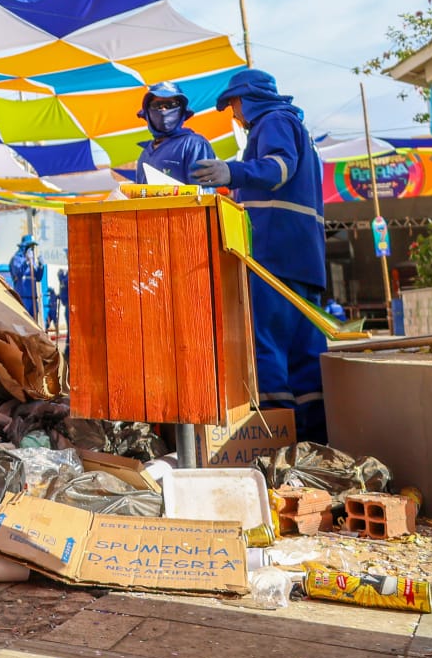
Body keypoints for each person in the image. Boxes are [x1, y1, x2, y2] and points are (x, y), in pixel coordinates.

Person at [192, 68, 328, 443]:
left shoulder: (272, 122)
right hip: (303, 259)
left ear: (247, 99)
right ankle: (315, 440)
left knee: (266, 346)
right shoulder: (298, 128)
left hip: (273, 256)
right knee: (305, 354)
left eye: (233, 105)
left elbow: (277, 169)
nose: (234, 115)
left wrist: (229, 172)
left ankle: (276, 438)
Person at [134, 81, 214, 184]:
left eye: (170, 105)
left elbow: (205, 195)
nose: (163, 110)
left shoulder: (195, 144)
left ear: (181, 111)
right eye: (156, 105)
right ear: (148, 112)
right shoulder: (144, 153)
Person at [9, 235, 47, 322]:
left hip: (33, 298)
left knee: (34, 323)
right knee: (24, 323)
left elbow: (38, 277)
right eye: (30, 247)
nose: (32, 250)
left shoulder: (32, 261)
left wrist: (41, 266)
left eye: (33, 247)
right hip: (22, 298)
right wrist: (26, 261)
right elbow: (17, 272)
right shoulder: (16, 259)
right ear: (24, 247)